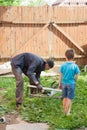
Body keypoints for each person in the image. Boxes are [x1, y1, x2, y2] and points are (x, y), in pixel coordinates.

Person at [58, 49, 80, 116]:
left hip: (64, 83)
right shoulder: (75, 66)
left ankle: (64, 111)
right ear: (73, 57)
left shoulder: (63, 65)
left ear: (66, 57)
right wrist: (75, 80)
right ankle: (67, 113)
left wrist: (59, 83)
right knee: (69, 98)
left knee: (64, 98)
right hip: (71, 83)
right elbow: (77, 74)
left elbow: (60, 75)